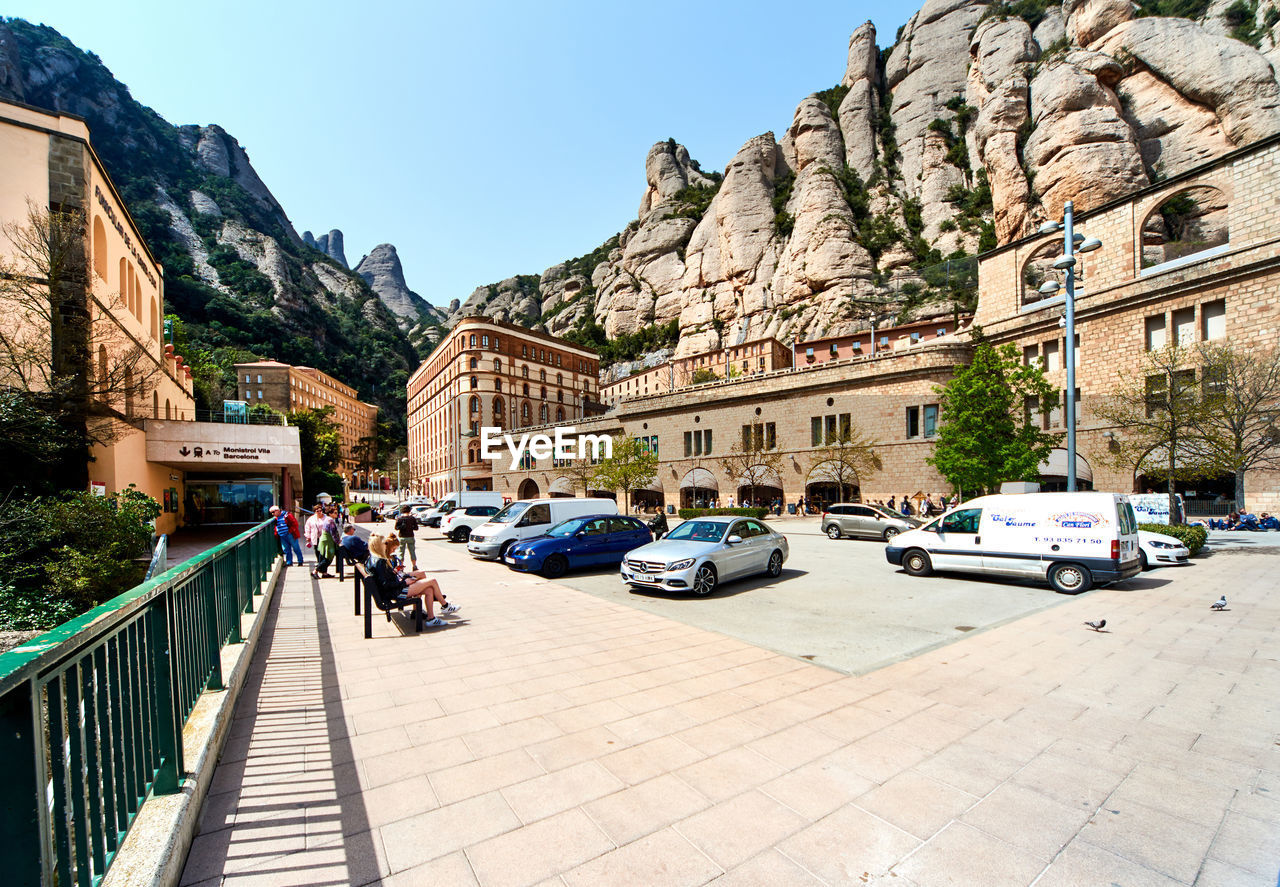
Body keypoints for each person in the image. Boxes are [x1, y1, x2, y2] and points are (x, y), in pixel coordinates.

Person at [366, 534, 451, 627]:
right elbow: (385, 584)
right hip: (396, 592)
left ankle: (432, 619)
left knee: (429, 589)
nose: (387, 544)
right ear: (379, 545)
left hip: (391, 591)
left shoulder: (373, 558)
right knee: (432, 581)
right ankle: (445, 605)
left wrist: (394, 572)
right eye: (385, 543)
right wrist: (404, 582)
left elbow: (383, 579)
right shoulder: (380, 561)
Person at [305, 505, 338, 579]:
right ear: (314, 512)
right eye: (317, 511)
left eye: (320, 511)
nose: (319, 512)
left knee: (324, 556)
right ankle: (318, 571)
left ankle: (324, 573)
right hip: (316, 539)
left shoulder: (325, 518)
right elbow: (307, 528)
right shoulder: (311, 519)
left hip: (323, 539)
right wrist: (308, 537)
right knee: (320, 557)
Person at [394, 505, 421, 571]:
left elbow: (396, 528)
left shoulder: (399, 518)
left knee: (401, 552)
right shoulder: (412, 518)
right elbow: (416, 528)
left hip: (402, 537)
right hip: (410, 536)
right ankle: (414, 566)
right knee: (412, 552)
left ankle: (401, 566)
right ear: (409, 511)